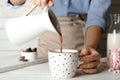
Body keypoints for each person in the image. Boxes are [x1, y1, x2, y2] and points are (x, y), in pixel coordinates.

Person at [7, 0, 111, 74]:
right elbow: (13, 1)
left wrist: (90, 46)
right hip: (47, 38)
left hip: (85, 38)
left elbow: (96, 17)